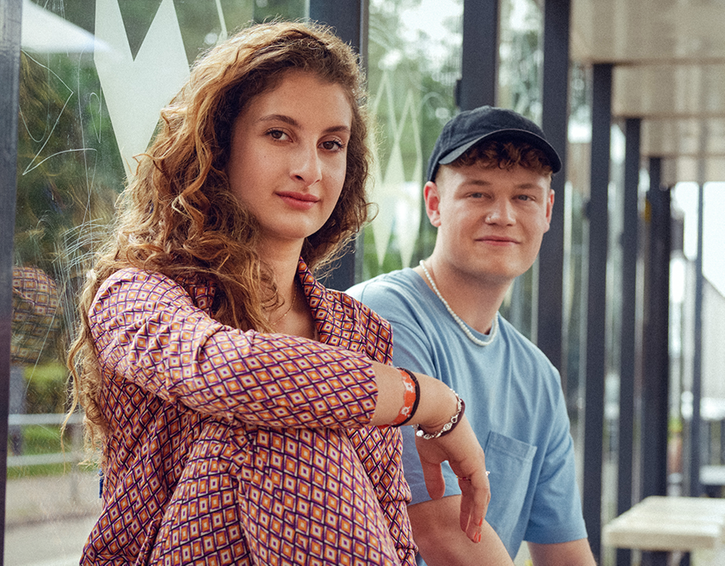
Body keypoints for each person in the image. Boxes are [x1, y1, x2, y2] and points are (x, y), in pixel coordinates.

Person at [68, 22, 490, 565]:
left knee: (296, 408)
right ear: (219, 146)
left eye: (330, 145)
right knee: (279, 417)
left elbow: (386, 521)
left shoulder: (359, 331)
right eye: (279, 134)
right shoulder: (135, 296)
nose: (309, 169)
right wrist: (429, 401)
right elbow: (230, 374)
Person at [348, 106, 594, 565]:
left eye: (524, 197)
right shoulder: (380, 316)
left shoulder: (538, 378)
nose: (502, 215)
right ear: (435, 204)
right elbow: (436, 530)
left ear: (547, 210)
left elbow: (565, 554)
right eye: (478, 193)